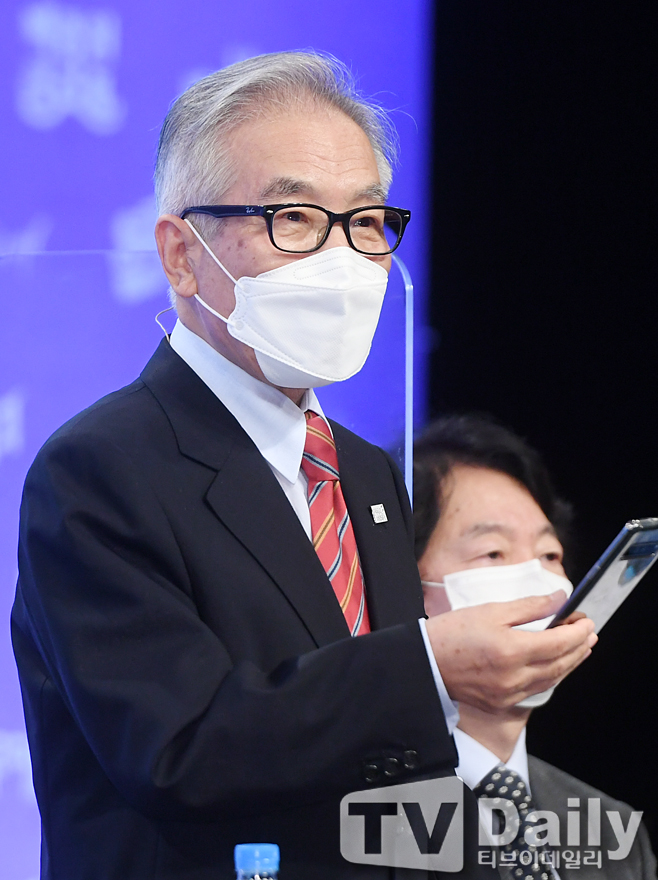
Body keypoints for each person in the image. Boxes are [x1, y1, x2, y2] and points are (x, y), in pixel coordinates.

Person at [12, 52, 596, 880]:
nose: (343, 259)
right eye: (293, 217)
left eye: (366, 222)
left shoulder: (365, 472)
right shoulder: (100, 468)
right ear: (181, 255)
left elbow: (381, 763)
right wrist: (432, 669)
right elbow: (179, 749)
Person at [414, 413, 656, 879]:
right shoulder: (355, 813)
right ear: (406, 583)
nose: (540, 582)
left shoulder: (613, 834)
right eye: (494, 553)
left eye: (550, 555)